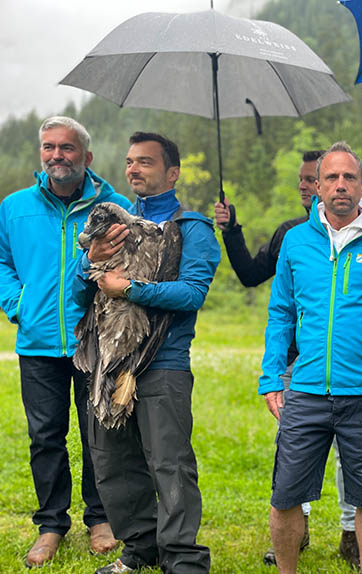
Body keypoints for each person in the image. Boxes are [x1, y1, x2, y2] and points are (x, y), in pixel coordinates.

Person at [259, 141, 362, 574]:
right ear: (316, 186)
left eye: (348, 177)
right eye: (330, 177)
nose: (340, 185)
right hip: (306, 390)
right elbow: (280, 313)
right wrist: (271, 376)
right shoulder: (296, 242)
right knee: (285, 495)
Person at [72, 132, 220, 574]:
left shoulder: (192, 228)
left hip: (163, 364)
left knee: (169, 464)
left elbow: (191, 293)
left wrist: (131, 289)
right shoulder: (107, 223)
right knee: (110, 460)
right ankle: (140, 548)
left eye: (146, 163)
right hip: (106, 364)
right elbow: (79, 293)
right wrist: (89, 259)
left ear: (172, 173)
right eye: (130, 161)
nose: (134, 169)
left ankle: (183, 559)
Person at [213, 150, 360, 568]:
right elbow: (249, 274)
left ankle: (352, 533)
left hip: (350, 368)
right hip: (299, 365)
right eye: (302, 179)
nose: (303, 185)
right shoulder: (290, 234)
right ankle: (300, 530)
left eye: (310, 177)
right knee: (296, 452)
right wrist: (232, 229)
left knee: (351, 455)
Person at [0, 116, 129, 567]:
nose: (57, 155)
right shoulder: (14, 207)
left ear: (86, 156)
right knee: (45, 436)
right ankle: (51, 524)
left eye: (67, 148)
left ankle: (101, 519)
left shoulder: (115, 206)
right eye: (49, 147)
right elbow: (1, 262)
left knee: (100, 434)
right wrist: (17, 302)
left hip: (95, 342)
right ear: (41, 153)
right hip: (37, 343)